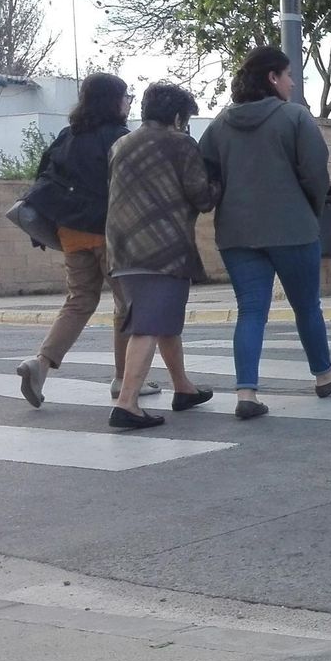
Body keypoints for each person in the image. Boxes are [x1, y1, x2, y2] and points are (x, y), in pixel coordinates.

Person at [199, 46, 331, 419]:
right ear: (272, 78)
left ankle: (246, 392)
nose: (291, 82)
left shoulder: (219, 124)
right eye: (288, 75)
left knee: (251, 310)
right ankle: (323, 373)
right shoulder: (295, 118)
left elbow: (206, 174)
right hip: (292, 228)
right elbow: (316, 173)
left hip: (237, 233)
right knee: (306, 306)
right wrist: (309, 209)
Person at [15, 72, 162, 408]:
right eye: (125, 96)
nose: (128, 102)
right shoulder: (120, 138)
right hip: (111, 233)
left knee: (79, 301)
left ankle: (41, 363)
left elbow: (43, 179)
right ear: (113, 101)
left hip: (70, 233)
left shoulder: (67, 136)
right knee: (127, 305)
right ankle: (124, 380)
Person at [104, 83, 222, 428]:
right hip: (163, 250)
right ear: (176, 116)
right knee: (151, 325)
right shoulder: (179, 143)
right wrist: (219, 181)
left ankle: (183, 388)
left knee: (161, 319)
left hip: (121, 248)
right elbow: (201, 196)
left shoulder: (120, 145)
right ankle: (127, 404)